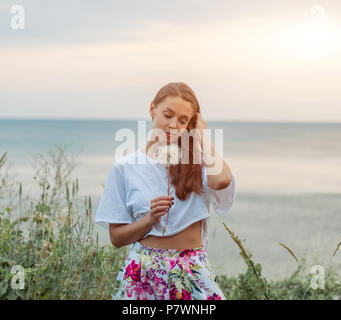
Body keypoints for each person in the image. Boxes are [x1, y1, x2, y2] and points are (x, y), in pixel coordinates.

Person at [94, 82, 236, 300]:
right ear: (153, 109)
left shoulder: (199, 162)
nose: (173, 125)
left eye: (183, 120)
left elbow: (223, 180)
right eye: (167, 115)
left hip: (192, 270)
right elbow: (116, 238)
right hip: (143, 273)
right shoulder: (125, 167)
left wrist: (200, 135)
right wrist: (149, 219)